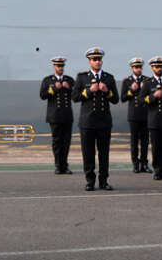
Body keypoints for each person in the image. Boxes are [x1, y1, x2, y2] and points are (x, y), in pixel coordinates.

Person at [71, 47, 119, 191]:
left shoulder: (108, 78)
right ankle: (90, 181)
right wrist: (88, 91)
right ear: (89, 62)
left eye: (99, 59)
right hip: (88, 122)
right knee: (88, 153)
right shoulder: (82, 78)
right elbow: (75, 97)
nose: (97, 62)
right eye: (94, 59)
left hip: (104, 122)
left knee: (104, 154)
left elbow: (116, 99)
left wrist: (107, 91)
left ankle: (104, 181)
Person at [39, 55, 74, 175]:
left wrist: (69, 88)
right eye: (58, 66)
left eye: (62, 66)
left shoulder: (69, 80)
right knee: (57, 142)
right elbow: (42, 95)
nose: (60, 68)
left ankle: (65, 165)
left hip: (67, 116)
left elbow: (76, 96)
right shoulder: (48, 80)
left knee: (66, 142)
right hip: (54, 116)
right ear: (54, 67)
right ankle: (58, 165)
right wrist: (53, 88)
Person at [140, 56, 162, 180]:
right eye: (156, 67)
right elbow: (142, 100)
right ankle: (158, 170)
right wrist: (153, 96)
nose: (159, 68)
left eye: (161, 66)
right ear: (152, 68)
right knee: (156, 147)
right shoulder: (148, 83)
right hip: (155, 119)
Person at [122, 56, 151, 173]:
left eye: (140, 67)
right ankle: (135, 164)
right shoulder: (127, 81)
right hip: (133, 115)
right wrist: (131, 91)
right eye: (136, 67)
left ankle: (144, 163)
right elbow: (123, 98)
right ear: (132, 68)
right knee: (134, 141)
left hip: (145, 114)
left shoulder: (147, 80)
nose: (138, 69)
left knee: (145, 141)